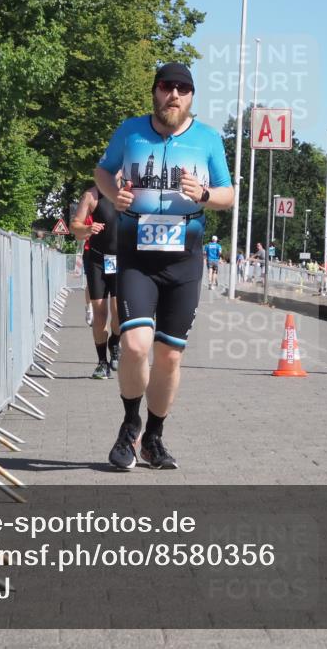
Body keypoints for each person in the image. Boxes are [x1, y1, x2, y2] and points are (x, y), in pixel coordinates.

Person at [95, 62, 234, 470]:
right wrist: (113, 193)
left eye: (182, 89)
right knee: (136, 344)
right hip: (136, 253)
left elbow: (229, 194)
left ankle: (154, 437)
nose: (173, 95)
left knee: (170, 357)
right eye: (166, 87)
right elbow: (103, 171)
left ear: (191, 97)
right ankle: (129, 425)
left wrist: (205, 193)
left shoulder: (208, 139)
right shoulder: (130, 131)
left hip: (184, 259)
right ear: (155, 92)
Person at [71, 186, 121, 379]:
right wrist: (87, 228)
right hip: (97, 260)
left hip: (121, 260)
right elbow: (75, 226)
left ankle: (115, 343)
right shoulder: (91, 195)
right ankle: (102, 362)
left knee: (119, 313)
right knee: (100, 313)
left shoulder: (131, 192)